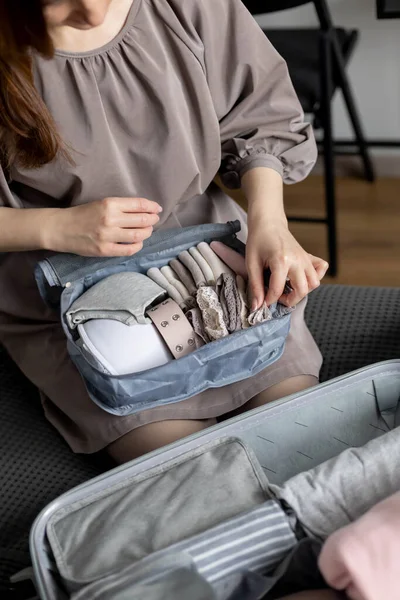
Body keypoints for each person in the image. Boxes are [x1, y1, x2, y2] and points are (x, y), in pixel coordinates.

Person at [0, 0, 327, 462]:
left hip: (209, 255)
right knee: (193, 476)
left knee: (305, 441)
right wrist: (56, 225)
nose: (92, 11)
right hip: (68, 287)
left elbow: (261, 118)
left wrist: (270, 224)